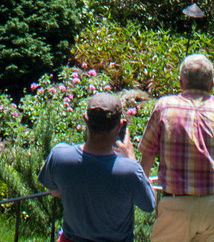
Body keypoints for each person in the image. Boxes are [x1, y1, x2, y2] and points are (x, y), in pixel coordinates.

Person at [138, 55, 214, 242]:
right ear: (212, 83)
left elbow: (148, 152)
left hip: (176, 205)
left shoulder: (164, 107)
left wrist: (143, 186)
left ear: (180, 82)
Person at [40, 93, 155, 242]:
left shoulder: (59, 155)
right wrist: (131, 158)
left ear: (85, 119)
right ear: (120, 126)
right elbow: (149, 205)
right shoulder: (130, 170)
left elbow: (54, 191)